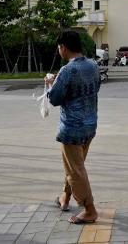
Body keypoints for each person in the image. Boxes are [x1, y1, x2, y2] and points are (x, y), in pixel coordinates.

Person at [45, 30, 101, 224]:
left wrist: (50, 83)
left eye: (59, 47)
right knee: (75, 166)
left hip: (71, 129)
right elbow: (96, 87)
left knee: (75, 170)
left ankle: (89, 209)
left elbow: (54, 99)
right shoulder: (93, 65)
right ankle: (65, 197)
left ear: (63, 48)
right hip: (90, 125)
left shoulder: (67, 70)